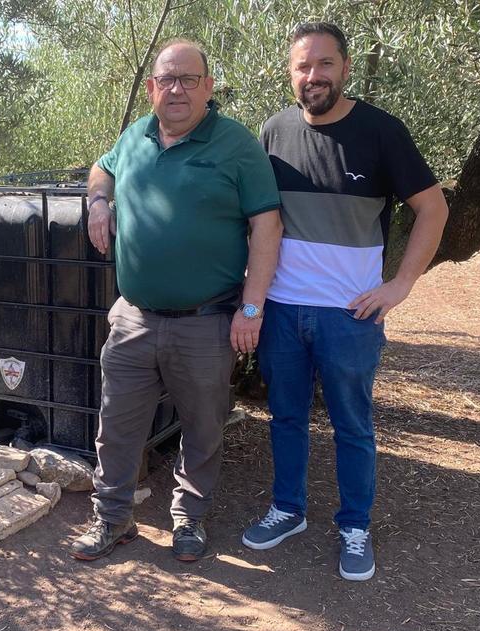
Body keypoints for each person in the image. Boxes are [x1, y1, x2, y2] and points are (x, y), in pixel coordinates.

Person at [241, 22, 448, 582]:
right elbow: (262, 221)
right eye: (303, 67)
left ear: (345, 68)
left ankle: (355, 524)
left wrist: (400, 285)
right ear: (291, 74)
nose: (314, 77)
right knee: (285, 417)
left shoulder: (382, 131)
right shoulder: (273, 131)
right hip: (282, 309)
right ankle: (288, 510)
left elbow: (433, 209)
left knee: (352, 425)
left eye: (324, 65)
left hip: (351, 315)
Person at [70, 39, 283, 563]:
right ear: (151, 88)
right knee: (116, 427)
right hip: (134, 318)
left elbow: (267, 226)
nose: (178, 89)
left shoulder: (236, 145)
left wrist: (251, 307)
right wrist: (99, 201)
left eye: (190, 79)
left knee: (202, 429)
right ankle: (113, 519)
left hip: (206, 323)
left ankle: (189, 520)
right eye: (168, 79)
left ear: (208, 87)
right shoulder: (135, 135)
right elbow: (103, 168)